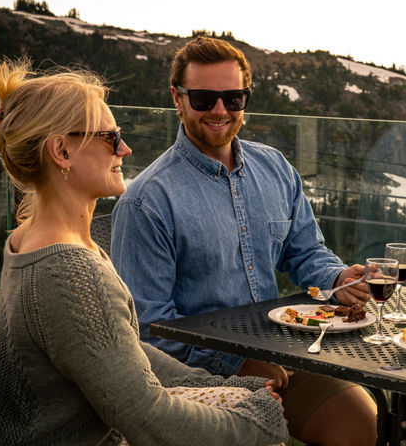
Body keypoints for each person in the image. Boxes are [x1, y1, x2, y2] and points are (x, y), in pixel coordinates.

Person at [0, 59, 288, 446]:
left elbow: (121, 347)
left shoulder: (30, 238)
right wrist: (257, 423)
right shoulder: (68, 270)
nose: (124, 148)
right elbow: (149, 420)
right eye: (109, 137)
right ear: (62, 151)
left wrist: (212, 384)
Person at [110, 36, 377, 445]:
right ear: (177, 99)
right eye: (203, 98)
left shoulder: (275, 168)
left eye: (233, 98)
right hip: (197, 379)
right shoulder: (148, 201)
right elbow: (148, 329)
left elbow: (305, 252)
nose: (220, 111)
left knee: (365, 424)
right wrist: (236, 365)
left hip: (280, 353)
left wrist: (341, 279)